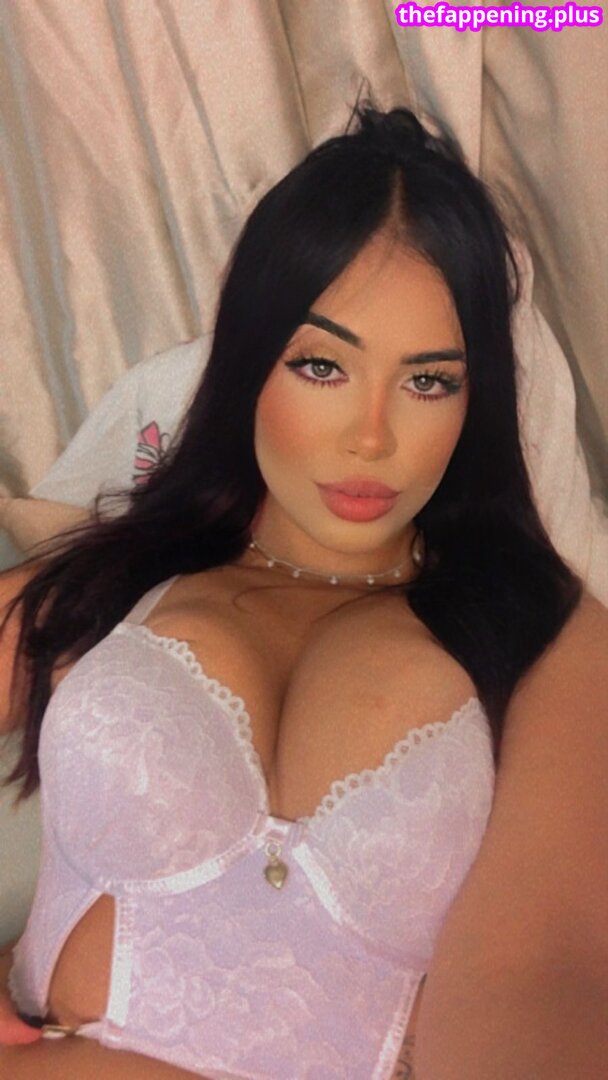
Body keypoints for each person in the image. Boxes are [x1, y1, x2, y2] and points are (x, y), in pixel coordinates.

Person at [0, 103, 606, 1080]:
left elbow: (548, 976)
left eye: (427, 381)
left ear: (476, 399)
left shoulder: (548, 637)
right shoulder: (105, 584)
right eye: (322, 366)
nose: (370, 437)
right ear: (250, 363)